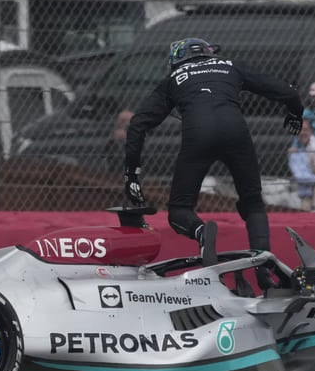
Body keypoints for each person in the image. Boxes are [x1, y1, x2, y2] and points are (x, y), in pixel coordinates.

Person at [123, 37, 303, 268]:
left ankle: (201, 232)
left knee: (179, 211)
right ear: (209, 54)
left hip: (198, 135)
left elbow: (138, 124)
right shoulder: (229, 65)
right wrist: (295, 113)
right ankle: (264, 264)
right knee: (253, 203)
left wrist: (132, 174)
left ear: (177, 60)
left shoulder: (174, 78)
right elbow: (288, 92)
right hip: (236, 132)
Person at [288, 119, 315, 211]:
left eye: (305, 130)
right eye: (300, 130)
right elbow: (301, 177)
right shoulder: (295, 154)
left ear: (311, 131)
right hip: (307, 197)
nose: (302, 133)